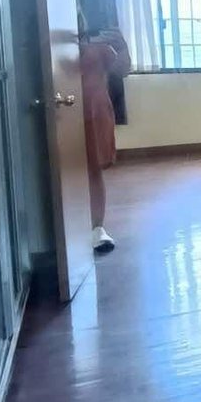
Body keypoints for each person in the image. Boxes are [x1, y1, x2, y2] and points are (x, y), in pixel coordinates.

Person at [79, 19, 131, 253]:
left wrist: (121, 47)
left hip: (95, 109)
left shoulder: (99, 44)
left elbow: (122, 70)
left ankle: (96, 228)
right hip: (66, 108)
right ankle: (72, 226)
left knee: (94, 169)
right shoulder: (57, 41)